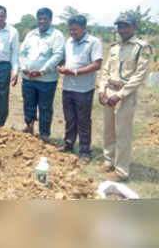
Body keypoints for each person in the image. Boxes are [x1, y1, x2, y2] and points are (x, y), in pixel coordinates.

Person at [98, 12, 152, 182]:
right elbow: (106, 70)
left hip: (125, 95)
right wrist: (101, 90)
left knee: (123, 134)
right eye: (119, 26)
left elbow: (139, 76)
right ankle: (109, 161)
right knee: (109, 131)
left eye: (126, 26)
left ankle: (121, 171)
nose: (122, 29)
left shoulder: (141, 47)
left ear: (134, 27)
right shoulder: (114, 47)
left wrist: (120, 95)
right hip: (109, 92)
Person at [56, 15, 103, 164]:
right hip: (68, 87)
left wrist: (75, 72)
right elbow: (66, 59)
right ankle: (68, 144)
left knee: (83, 120)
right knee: (69, 118)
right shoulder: (69, 41)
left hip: (84, 89)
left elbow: (97, 64)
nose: (72, 32)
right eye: (70, 30)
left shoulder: (94, 42)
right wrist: (61, 66)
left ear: (84, 28)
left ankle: (84, 151)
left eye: (75, 30)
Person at [19, 7, 65, 142]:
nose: (42, 21)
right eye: (40, 19)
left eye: (45, 19)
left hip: (47, 79)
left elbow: (58, 55)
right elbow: (22, 53)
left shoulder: (57, 35)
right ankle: (29, 127)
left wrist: (42, 71)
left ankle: (44, 134)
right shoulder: (31, 34)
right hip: (28, 78)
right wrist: (24, 68)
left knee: (45, 107)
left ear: (50, 20)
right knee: (28, 103)